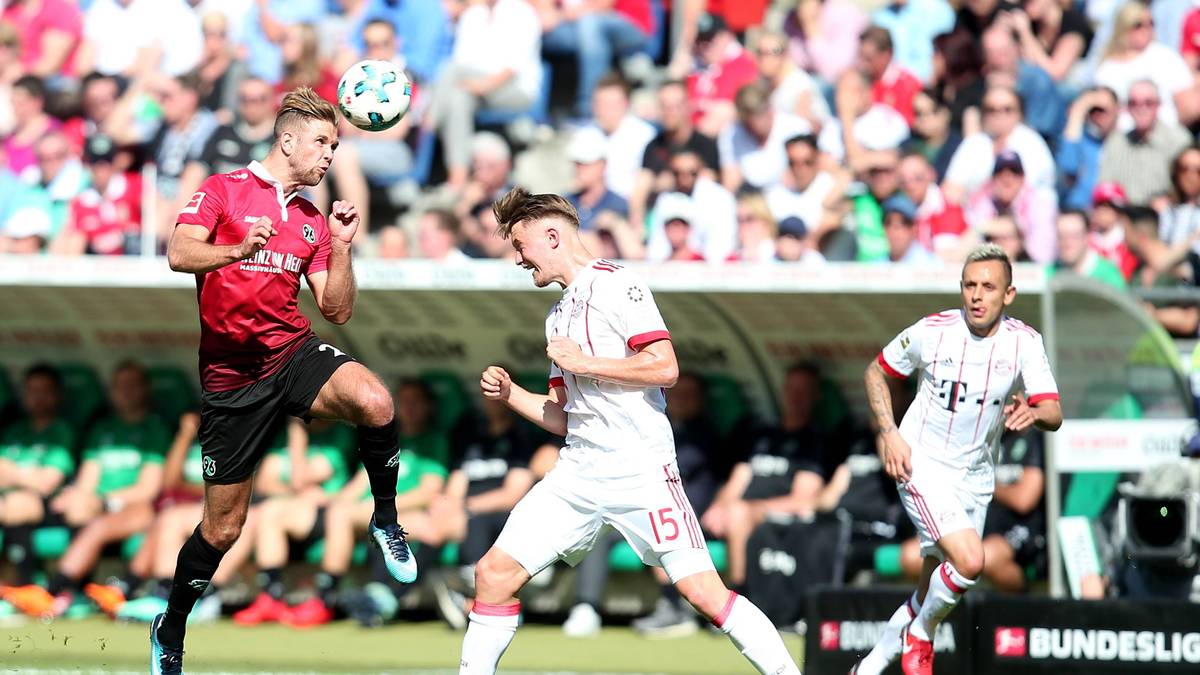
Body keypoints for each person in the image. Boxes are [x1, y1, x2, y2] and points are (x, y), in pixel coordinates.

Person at [459, 188, 801, 675]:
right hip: (578, 472)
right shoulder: (557, 315)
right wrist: (512, 393)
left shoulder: (619, 284)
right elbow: (564, 416)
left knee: (704, 593)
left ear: (552, 236)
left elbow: (665, 366)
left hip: (640, 468)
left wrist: (586, 363)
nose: (517, 258)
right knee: (493, 574)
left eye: (520, 244)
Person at [151, 87, 413, 674]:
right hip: (230, 378)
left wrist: (342, 248)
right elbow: (177, 251)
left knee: (375, 399)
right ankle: (170, 627)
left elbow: (337, 311)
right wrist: (237, 248)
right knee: (223, 529)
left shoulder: (312, 219)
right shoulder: (222, 190)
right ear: (287, 139)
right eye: (323, 143)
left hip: (290, 352)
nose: (329, 156)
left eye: (336, 145)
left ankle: (385, 519)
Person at [852, 243, 1062, 675]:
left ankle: (869, 668)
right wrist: (889, 433)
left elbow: (1054, 413)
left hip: (976, 476)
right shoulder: (934, 330)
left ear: (1009, 294)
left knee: (933, 584)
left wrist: (1034, 411)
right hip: (921, 463)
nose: (977, 295)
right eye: (970, 285)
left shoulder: (1024, 342)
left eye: (988, 286)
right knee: (970, 561)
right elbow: (877, 371)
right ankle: (923, 634)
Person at [5, 361, 168, 618]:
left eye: (132, 385)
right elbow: (87, 479)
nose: (125, 392)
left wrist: (103, 500)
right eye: (119, 386)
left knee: (98, 517)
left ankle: (55, 591)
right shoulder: (102, 429)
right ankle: (60, 592)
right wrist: (80, 496)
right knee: (75, 504)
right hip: (99, 506)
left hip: (136, 506)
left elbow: (148, 489)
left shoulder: (155, 429)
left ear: (145, 389)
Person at [701, 365, 830, 589]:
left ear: (815, 396)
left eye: (803, 391)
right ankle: (672, 601)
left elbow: (803, 500)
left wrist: (748, 510)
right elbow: (736, 481)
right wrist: (719, 507)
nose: (795, 397)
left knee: (739, 513)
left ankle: (738, 594)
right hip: (738, 513)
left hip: (776, 520)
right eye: (791, 389)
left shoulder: (814, 441)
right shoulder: (762, 436)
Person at [0, 364, 75, 590]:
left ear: (56, 395)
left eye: (44, 391)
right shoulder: (14, 431)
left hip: (51, 506)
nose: (38, 397)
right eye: (32, 391)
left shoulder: (62, 431)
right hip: (7, 501)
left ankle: (24, 587)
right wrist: (26, 475)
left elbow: (46, 483)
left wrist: (11, 472)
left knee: (19, 504)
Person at [1097, 80, 1192, 208]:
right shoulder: (1116, 142)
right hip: (1124, 216)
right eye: (1134, 103)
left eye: (1148, 103)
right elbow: (1105, 186)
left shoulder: (1178, 141)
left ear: (1159, 105)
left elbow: (1191, 185)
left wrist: (1171, 201)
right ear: (1127, 107)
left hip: (1167, 214)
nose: (1141, 108)